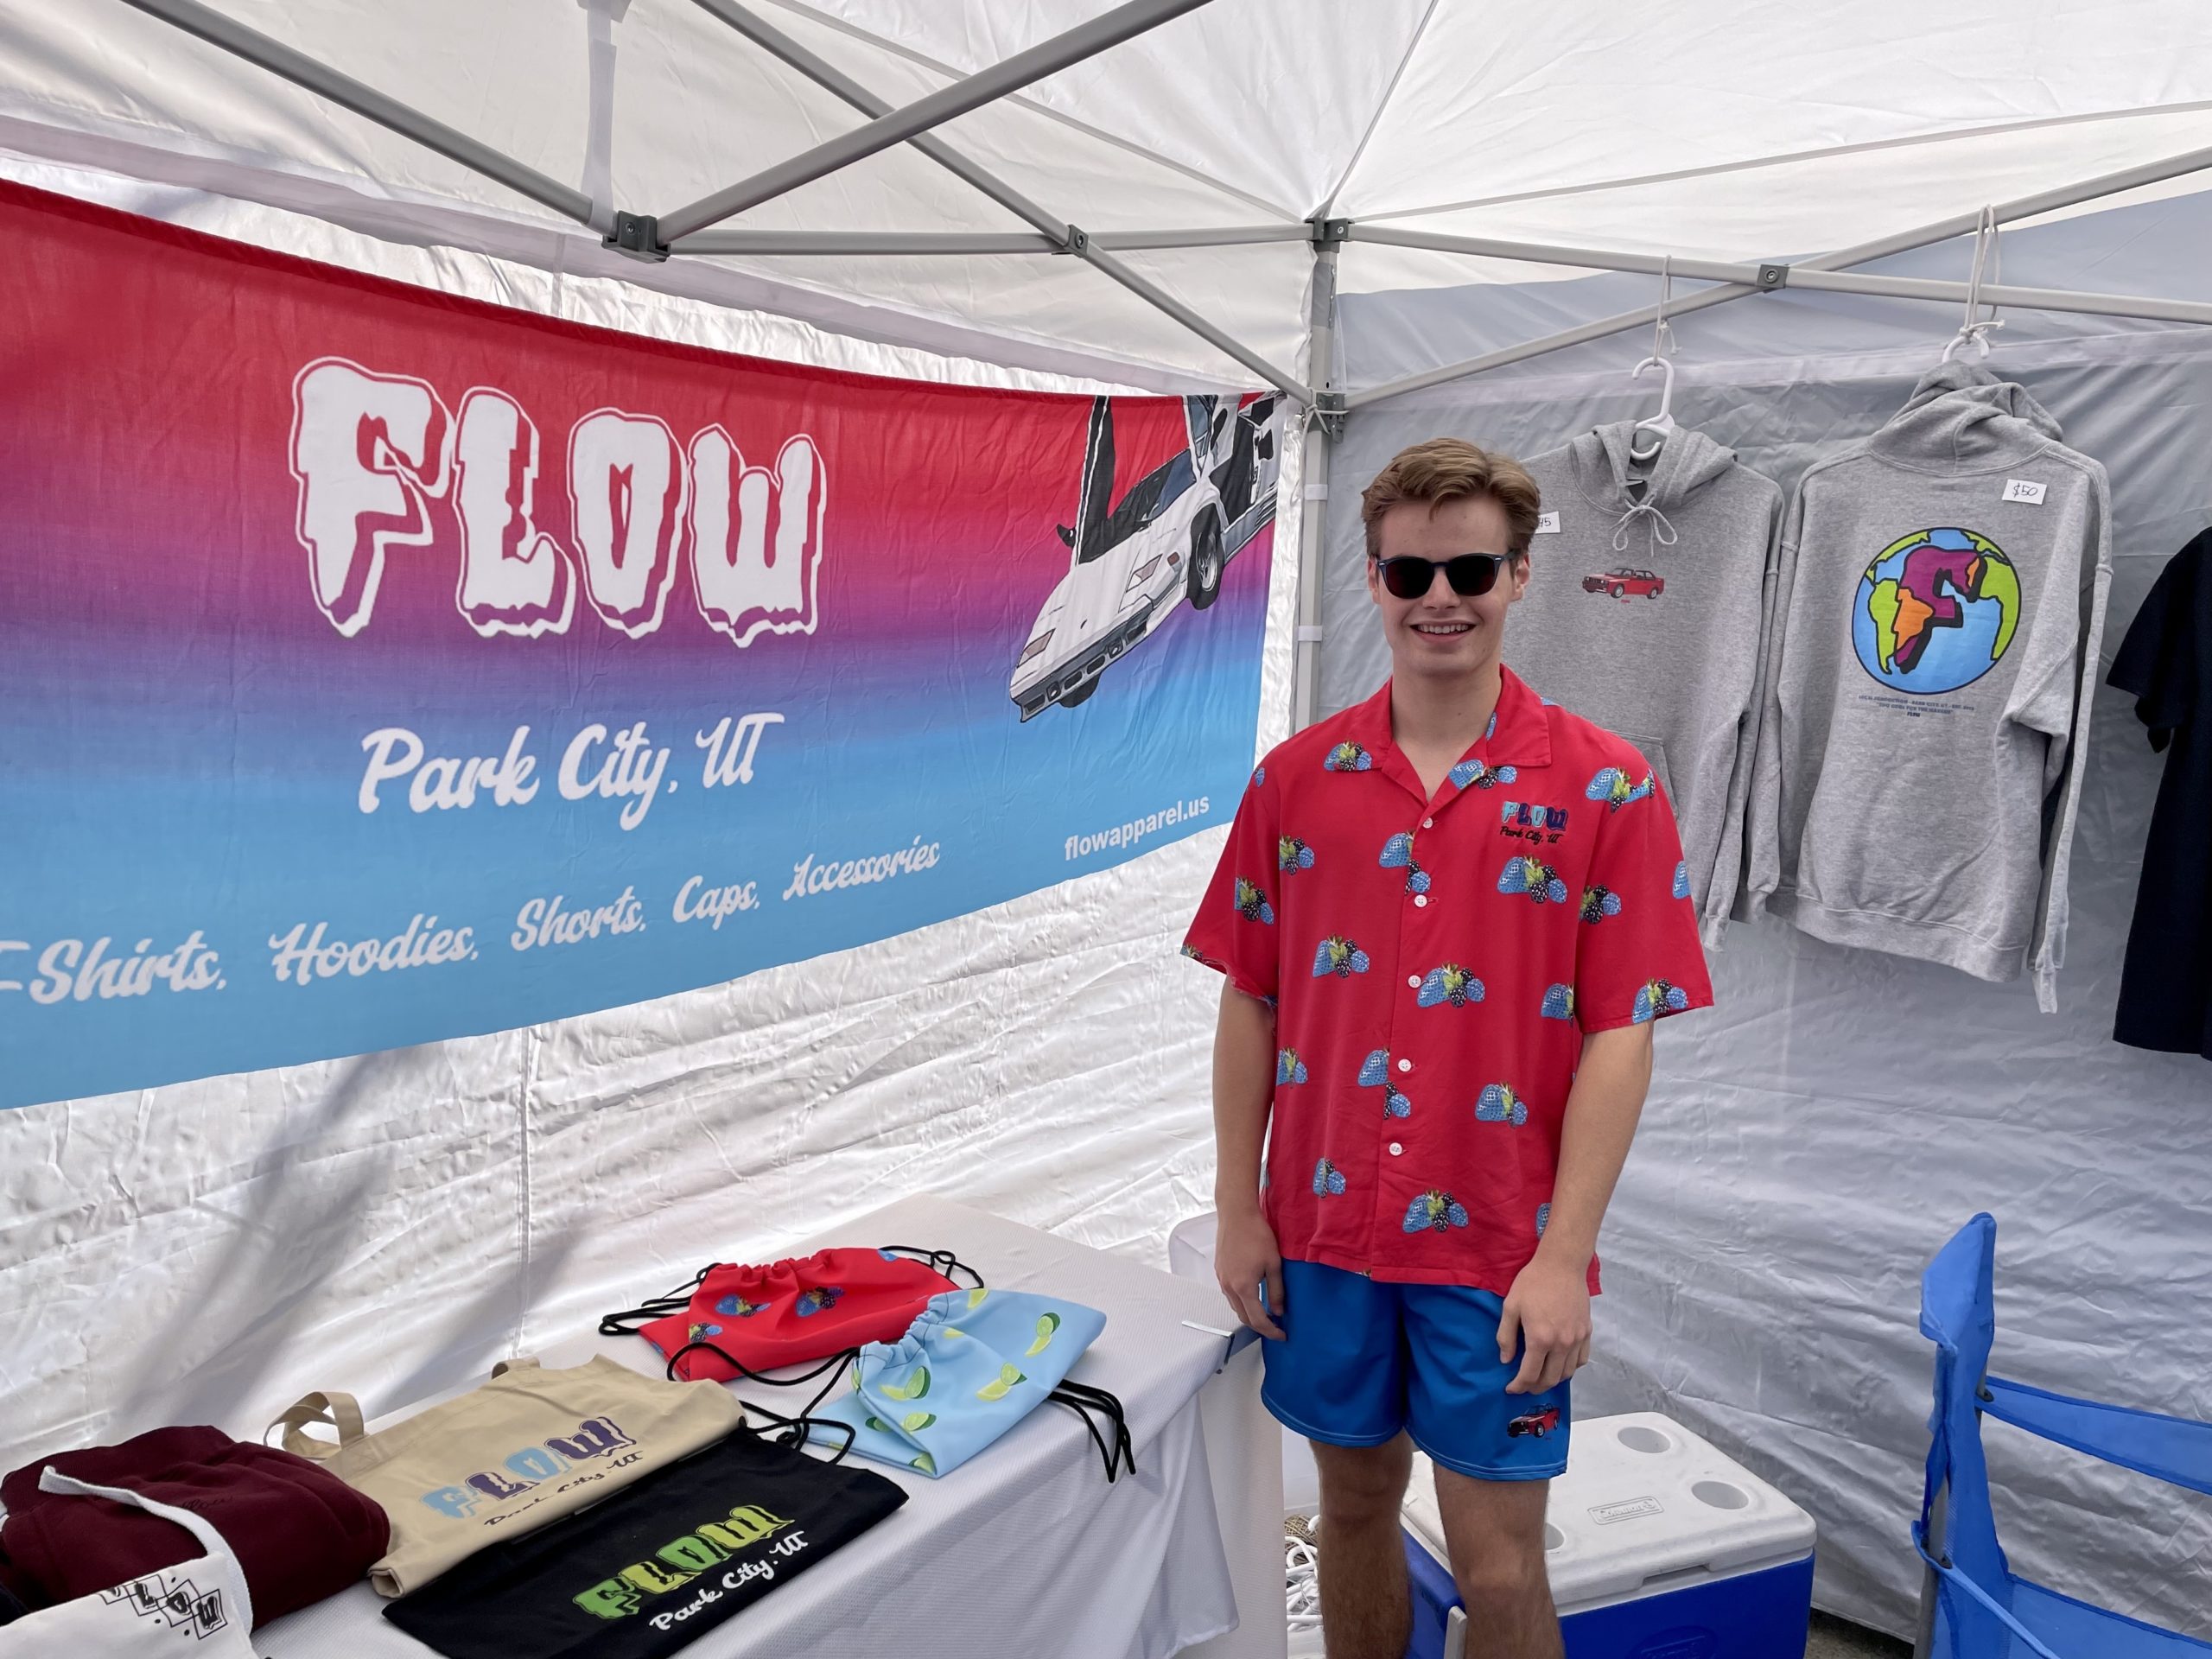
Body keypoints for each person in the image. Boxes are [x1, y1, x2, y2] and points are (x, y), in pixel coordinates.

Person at [1181, 439, 1713, 1658]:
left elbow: (1619, 1038)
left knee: (1499, 1566)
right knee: (1353, 1510)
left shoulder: (1607, 789)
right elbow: (1249, 1000)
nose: (1440, 597)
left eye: (1471, 568)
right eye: (1409, 572)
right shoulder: (1295, 784)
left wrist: (1565, 1257)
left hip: (1497, 1248)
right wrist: (1236, 1208)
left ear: (1520, 577)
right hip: (1325, 1239)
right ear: (1370, 581)